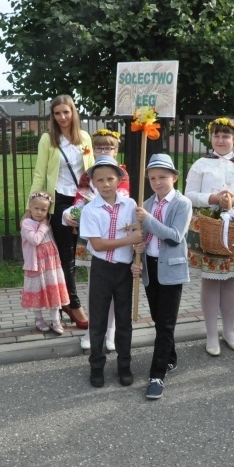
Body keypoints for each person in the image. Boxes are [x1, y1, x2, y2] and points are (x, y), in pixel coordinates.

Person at [185, 117, 234, 356]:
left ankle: (229, 331)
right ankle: (211, 334)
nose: (221, 140)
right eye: (217, 136)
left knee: (230, 281)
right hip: (209, 225)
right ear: (211, 138)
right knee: (210, 280)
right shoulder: (201, 164)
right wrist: (212, 199)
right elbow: (188, 194)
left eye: (225, 136)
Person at [78, 156, 143, 388]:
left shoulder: (131, 205)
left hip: (124, 270)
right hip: (101, 270)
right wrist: (130, 239)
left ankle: (124, 365)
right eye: (100, 180)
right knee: (98, 321)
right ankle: (97, 366)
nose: (106, 184)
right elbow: (97, 244)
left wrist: (138, 248)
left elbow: (139, 235)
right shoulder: (91, 210)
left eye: (110, 179)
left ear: (119, 180)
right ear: (93, 183)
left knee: (124, 321)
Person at [131, 154, 192, 400]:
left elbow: (174, 236)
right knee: (159, 320)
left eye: (163, 177)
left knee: (166, 324)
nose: (157, 182)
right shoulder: (146, 203)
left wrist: (148, 219)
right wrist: (138, 249)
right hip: (151, 267)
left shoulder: (182, 203)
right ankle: (170, 358)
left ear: (174, 177)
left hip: (172, 269)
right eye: (152, 178)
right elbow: (146, 237)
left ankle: (156, 375)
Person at [31, 95, 95, 329]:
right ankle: (72, 303)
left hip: (84, 200)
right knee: (66, 255)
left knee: (84, 252)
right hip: (59, 200)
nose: (62, 117)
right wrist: (33, 206)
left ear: (73, 112)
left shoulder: (85, 137)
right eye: (57, 113)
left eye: (66, 112)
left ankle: (67, 301)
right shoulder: (48, 139)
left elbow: (91, 170)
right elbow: (40, 172)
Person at [62, 129, 129, 350]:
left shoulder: (122, 173)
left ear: (116, 149)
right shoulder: (88, 174)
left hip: (116, 236)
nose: (104, 150)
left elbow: (124, 199)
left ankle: (110, 333)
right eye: (99, 147)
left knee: (114, 291)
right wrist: (74, 212)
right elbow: (80, 198)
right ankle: (93, 332)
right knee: (95, 287)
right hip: (94, 233)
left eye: (108, 147)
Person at [20, 191, 69, 335]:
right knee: (37, 292)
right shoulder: (26, 224)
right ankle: (39, 319)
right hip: (36, 264)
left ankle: (56, 321)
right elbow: (35, 240)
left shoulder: (46, 222)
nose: (40, 212)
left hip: (51, 263)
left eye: (43, 209)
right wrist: (44, 226)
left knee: (53, 290)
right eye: (36, 208)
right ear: (30, 207)